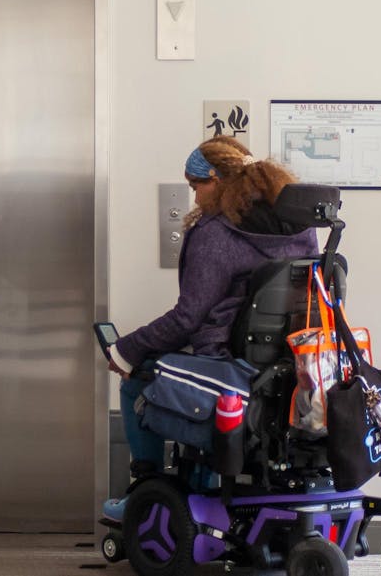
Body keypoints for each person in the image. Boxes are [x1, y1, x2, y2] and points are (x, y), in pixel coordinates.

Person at [102, 136, 318, 521]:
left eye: (196, 186)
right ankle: (200, 489)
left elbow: (188, 318)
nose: (195, 198)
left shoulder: (216, 234)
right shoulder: (301, 231)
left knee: (137, 377)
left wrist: (125, 351)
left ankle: (145, 494)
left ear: (217, 180)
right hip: (287, 367)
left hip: (227, 366)